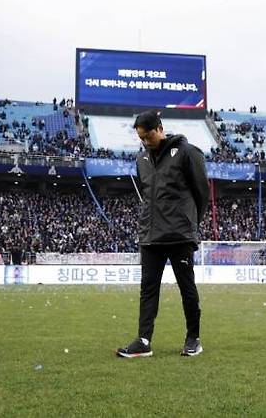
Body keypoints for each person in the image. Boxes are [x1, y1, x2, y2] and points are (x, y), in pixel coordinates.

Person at [116, 110, 209, 358]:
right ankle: (143, 341)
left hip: (180, 235)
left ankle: (193, 339)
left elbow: (202, 193)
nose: (145, 142)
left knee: (186, 288)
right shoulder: (142, 159)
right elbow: (148, 195)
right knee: (148, 290)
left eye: (147, 136)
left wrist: (191, 224)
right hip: (150, 236)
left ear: (159, 128)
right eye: (141, 138)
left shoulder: (188, 153)